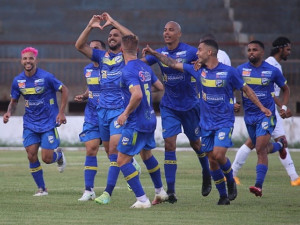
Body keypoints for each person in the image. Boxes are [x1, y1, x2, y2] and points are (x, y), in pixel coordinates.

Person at [143, 39, 271, 205]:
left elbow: (246, 89)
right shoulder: (197, 70)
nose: (197, 53)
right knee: (212, 160)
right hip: (206, 123)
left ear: (209, 52)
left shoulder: (229, 72)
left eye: (200, 50)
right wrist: (154, 54)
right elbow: (173, 64)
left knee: (218, 155)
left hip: (224, 121)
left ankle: (230, 179)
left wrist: (261, 107)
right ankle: (223, 196)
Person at [141, 21, 211, 203]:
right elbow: (138, 64)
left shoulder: (189, 52)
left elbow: (203, 67)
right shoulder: (159, 53)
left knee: (197, 145)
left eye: (171, 30)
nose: (167, 33)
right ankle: (171, 192)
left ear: (179, 34)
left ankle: (206, 170)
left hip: (190, 106)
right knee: (169, 145)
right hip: (169, 106)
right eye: (164, 30)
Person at [75, 12, 140, 205]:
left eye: (115, 35)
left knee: (113, 150)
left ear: (122, 41)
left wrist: (113, 23)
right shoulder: (101, 56)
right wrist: (89, 26)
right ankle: (131, 167)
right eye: (110, 35)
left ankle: (107, 193)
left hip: (119, 110)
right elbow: (79, 46)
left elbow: (133, 39)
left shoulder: (127, 56)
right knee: (110, 152)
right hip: (101, 111)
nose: (111, 37)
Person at [232, 37, 300, 186]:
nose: (251, 52)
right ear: (280, 49)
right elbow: (271, 92)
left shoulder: (272, 68)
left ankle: (293, 177)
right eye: (287, 49)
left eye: (254, 50)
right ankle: (290, 169)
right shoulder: (269, 64)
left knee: (258, 147)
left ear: (261, 52)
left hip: (268, 112)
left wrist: (282, 107)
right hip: (253, 113)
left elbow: (276, 91)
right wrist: (282, 106)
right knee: (256, 145)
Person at [2, 47, 68, 196]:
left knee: (46, 158)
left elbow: (64, 89)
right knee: (31, 154)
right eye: (25, 58)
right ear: (21, 61)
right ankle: (42, 188)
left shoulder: (46, 77)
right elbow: (14, 101)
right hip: (30, 123)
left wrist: (61, 112)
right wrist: (8, 113)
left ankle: (59, 156)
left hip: (48, 123)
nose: (28, 61)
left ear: (36, 60)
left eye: (31, 58)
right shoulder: (18, 81)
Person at [117, 34, 168, 208]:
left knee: (122, 160)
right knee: (146, 155)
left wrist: (125, 113)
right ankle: (160, 191)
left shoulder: (127, 70)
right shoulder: (144, 67)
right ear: (137, 50)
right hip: (150, 119)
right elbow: (160, 87)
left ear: (121, 50)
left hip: (136, 122)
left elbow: (137, 95)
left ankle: (142, 200)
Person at [75, 40, 106, 201]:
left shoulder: (110, 68)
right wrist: (85, 95)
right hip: (92, 115)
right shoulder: (87, 69)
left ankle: (131, 163)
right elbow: (92, 87)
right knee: (91, 149)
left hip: (109, 113)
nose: (92, 51)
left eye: (96, 48)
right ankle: (89, 190)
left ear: (103, 52)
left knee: (113, 152)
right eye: (91, 48)